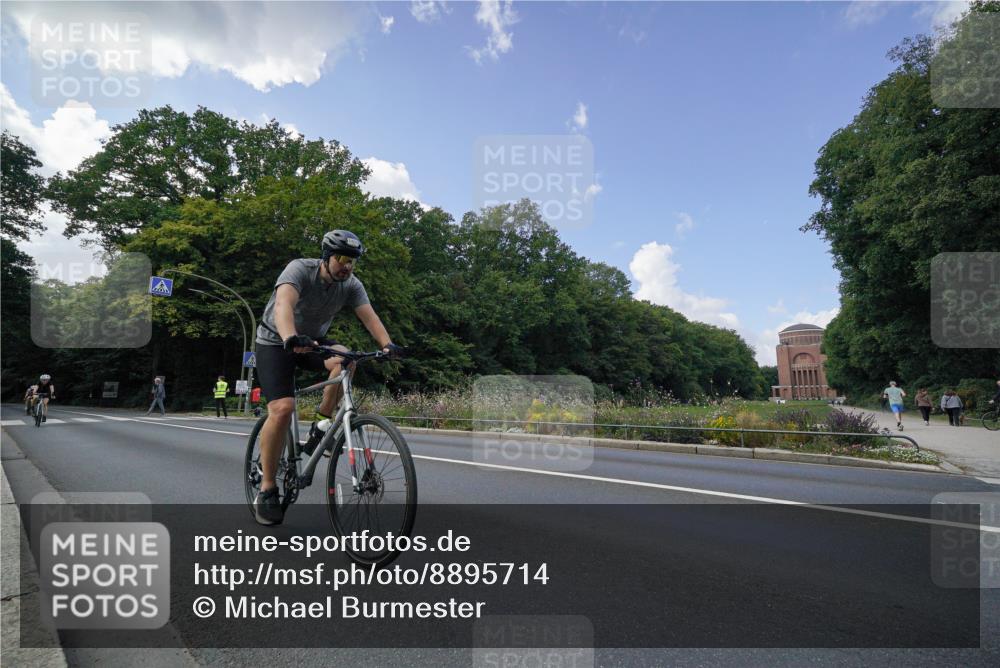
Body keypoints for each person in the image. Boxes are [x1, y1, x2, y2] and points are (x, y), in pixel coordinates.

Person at [252, 229, 400, 526]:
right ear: (327, 257)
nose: (347, 265)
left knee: (346, 359)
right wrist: (290, 337)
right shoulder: (300, 270)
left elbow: (370, 317)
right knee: (282, 409)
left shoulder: (351, 285)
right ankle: (267, 489)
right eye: (342, 258)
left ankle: (321, 424)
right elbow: (283, 305)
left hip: (313, 343)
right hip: (275, 341)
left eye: (352, 261)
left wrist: (388, 345)